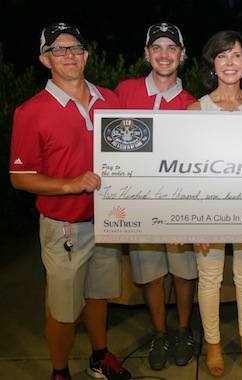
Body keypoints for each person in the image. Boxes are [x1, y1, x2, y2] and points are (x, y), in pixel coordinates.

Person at [9, 22, 132, 380]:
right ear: (45, 60)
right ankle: (60, 372)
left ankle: (99, 357)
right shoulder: (30, 112)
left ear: (86, 55)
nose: (68, 55)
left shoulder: (110, 100)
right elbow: (20, 177)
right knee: (63, 310)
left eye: (74, 48)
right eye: (58, 50)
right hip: (64, 226)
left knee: (98, 297)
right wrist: (70, 185)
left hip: (109, 221)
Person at [114, 22, 198, 371]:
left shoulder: (192, 104)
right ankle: (160, 332)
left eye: (171, 47)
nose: (164, 54)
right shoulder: (124, 91)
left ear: (182, 54)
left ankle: (182, 331)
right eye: (157, 47)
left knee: (183, 273)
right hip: (138, 204)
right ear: (146, 53)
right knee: (150, 273)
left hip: (178, 204)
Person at [186, 30, 242, 377]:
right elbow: (186, 170)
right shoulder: (195, 110)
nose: (230, 62)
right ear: (212, 64)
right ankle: (214, 343)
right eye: (222, 56)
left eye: (236, 55)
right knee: (209, 280)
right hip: (208, 210)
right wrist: (192, 220)